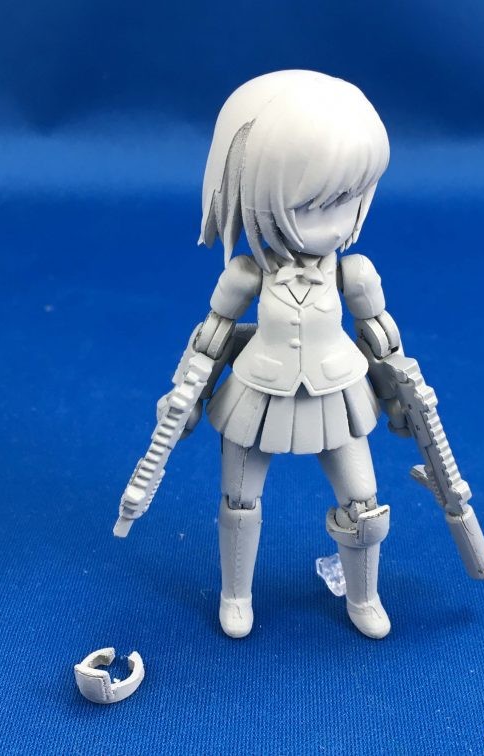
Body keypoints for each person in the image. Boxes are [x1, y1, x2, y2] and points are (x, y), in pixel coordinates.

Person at [163, 70, 403, 640]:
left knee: (364, 505)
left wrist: (398, 400)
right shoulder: (245, 274)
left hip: (337, 394)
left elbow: (383, 343)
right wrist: (186, 394)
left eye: (350, 197)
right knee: (240, 501)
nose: (337, 221)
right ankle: (236, 595)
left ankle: (364, 596)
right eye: (315, 203)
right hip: (256, 397)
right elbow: (212, 338)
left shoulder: (355, 273)